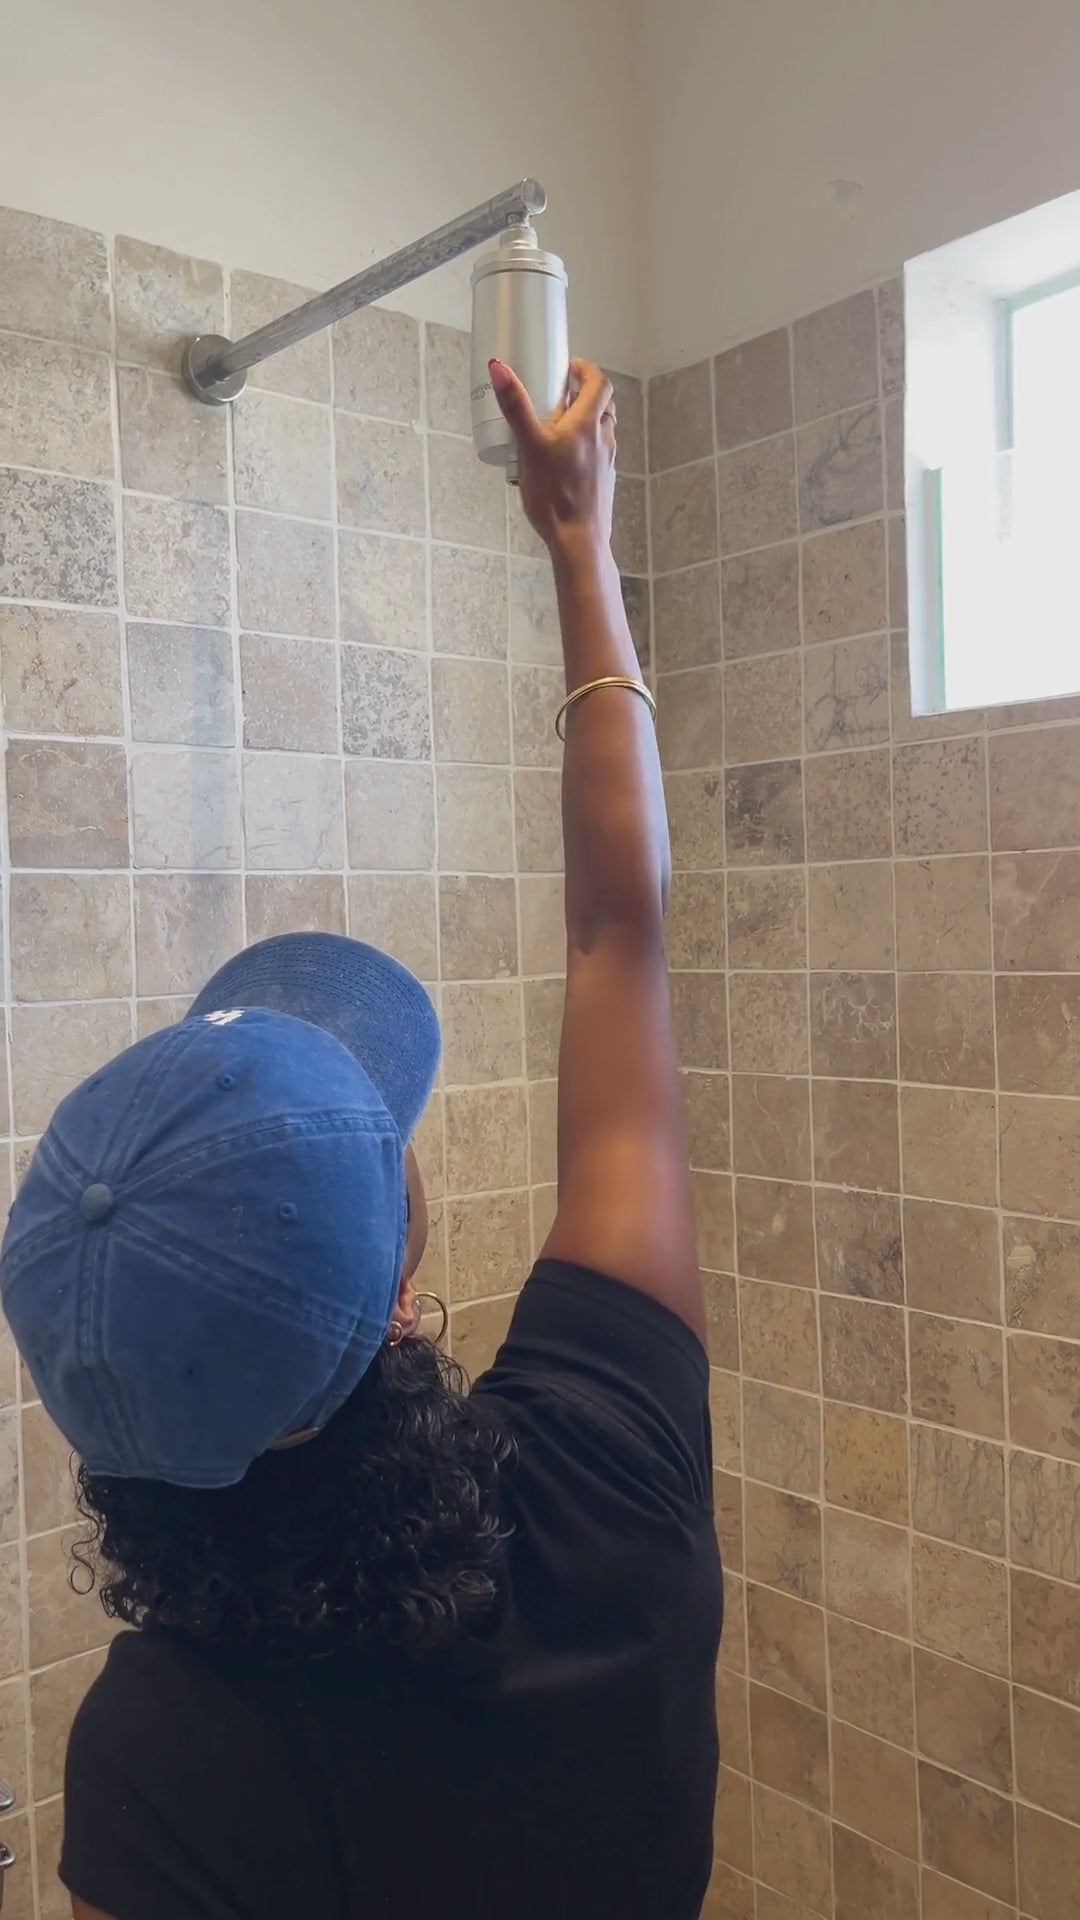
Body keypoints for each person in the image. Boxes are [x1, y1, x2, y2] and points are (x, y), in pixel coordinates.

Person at [1, 357, 721, 1920]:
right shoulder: (603, 1474)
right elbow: (621, 941)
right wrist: (581, 549)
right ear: (400, 1288)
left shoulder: (165, 1750)